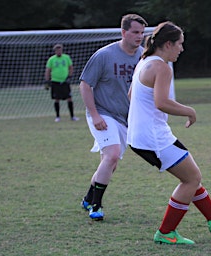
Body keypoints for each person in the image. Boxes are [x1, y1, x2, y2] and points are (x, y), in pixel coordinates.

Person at [127, 21, 211, 245]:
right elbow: (160, 102)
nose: (182, 49)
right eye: (180, 44)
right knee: (192, 178)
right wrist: (189, 111)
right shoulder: (161, 67)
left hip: (144, 135)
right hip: (153, 138)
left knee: (190, 175)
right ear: (168, 44)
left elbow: (132, 95)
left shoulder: (145, 61)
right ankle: (166, 232)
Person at [78, 14, 148, 221]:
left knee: (110, 163)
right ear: (124, 32)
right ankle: (95, 206)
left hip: (125, 118)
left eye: (142, 33)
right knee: (112, 155)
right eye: (135, 32)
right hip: (102, 113)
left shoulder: (144, 57)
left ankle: (88, 197)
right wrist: (94, 114)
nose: (139, 36)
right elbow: (85, 84)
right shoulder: (104, 55)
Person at [44, 44, 78, 122]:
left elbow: (71, 67)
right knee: (56, 99)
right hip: (55, 81)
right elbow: (48, 70)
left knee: (69, 98)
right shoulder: (51, 59)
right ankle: (58, 117)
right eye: (57, 50)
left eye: (60, 50)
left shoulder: (66, 58)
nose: (59, 51)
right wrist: (47, 80)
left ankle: (72, 116)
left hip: (65, 81)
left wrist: (69, 76)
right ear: (55, 51)